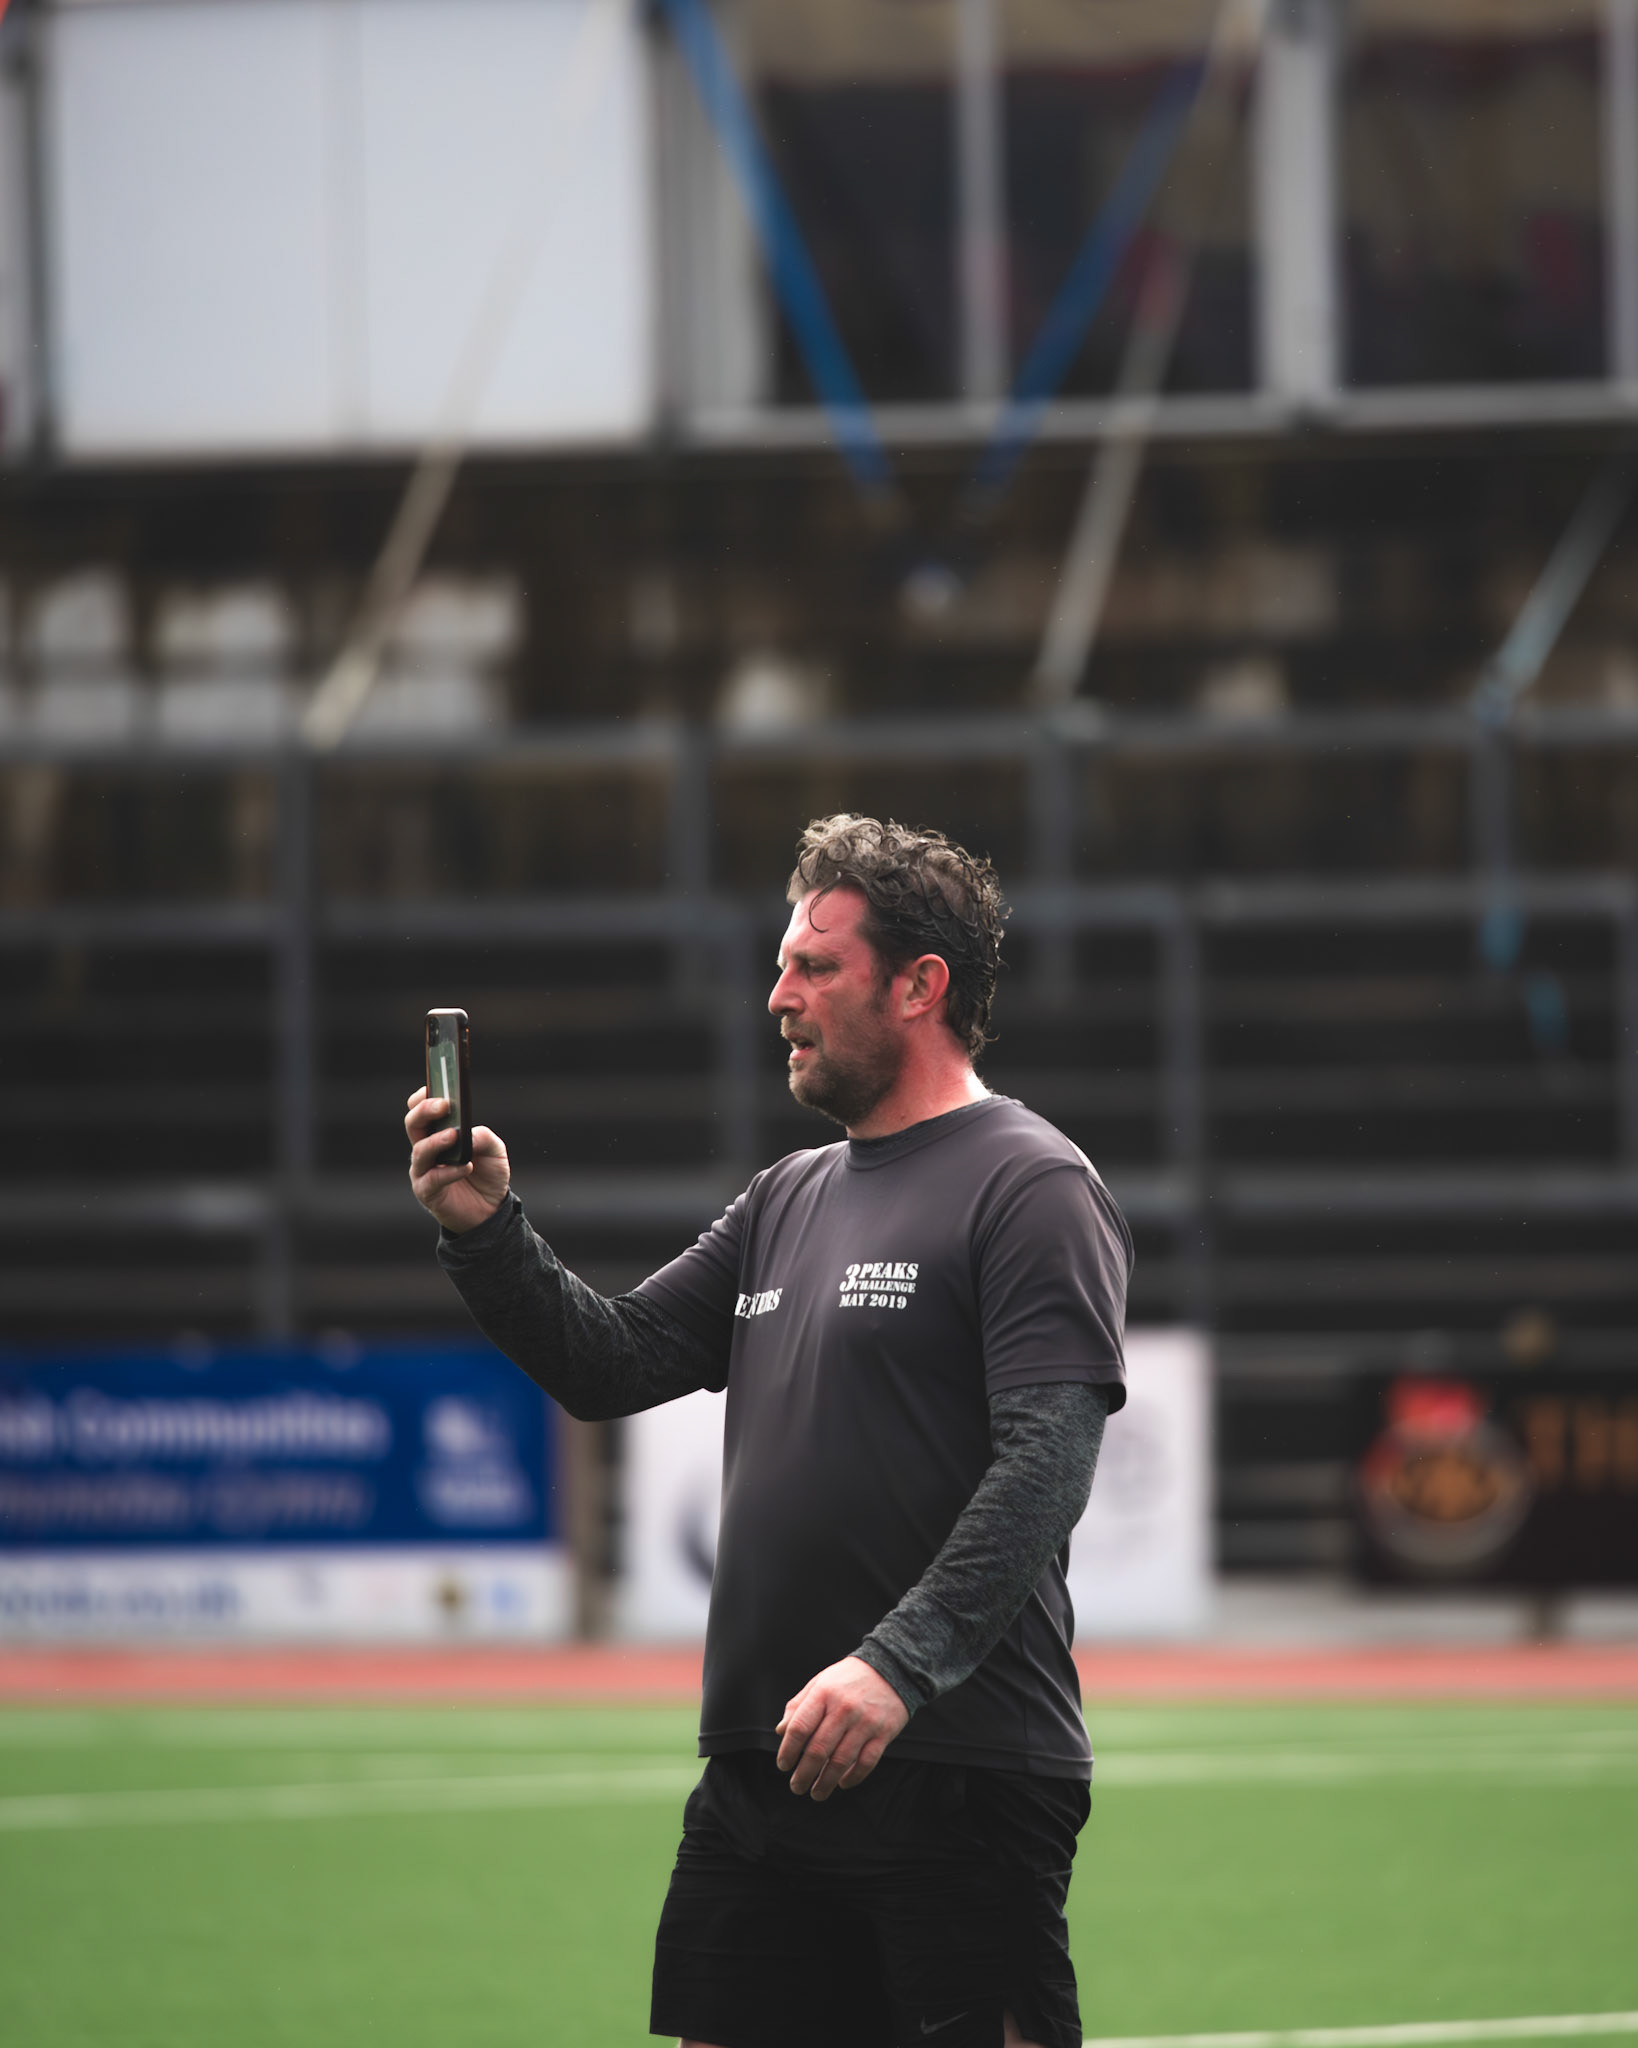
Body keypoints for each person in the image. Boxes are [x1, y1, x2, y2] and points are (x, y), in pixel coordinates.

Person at [406, 814, 1132, 2048]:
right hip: (764, 1768)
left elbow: (1048, 1461)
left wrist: (895, 1666)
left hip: (956, 1767)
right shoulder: (786, 1193)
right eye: (782, 963)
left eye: (814, 966)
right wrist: (487, 1231)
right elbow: (611, 1361)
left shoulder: (1031, 1182)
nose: (777, 996)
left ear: (919, 985)